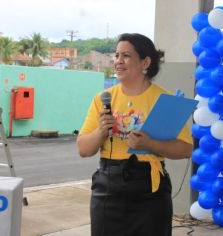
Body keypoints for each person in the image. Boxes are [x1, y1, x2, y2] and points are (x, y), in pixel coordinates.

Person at [77, 33, 193, 236]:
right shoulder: (103, 99)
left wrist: (151, 145)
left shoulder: (163, 99)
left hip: (150, 191)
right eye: (116, 55)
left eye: (126, 56)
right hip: (108, 188)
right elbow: (84, 149)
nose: (118, 61)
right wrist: (100, 131)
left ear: (145, 62)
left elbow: (185, 149)